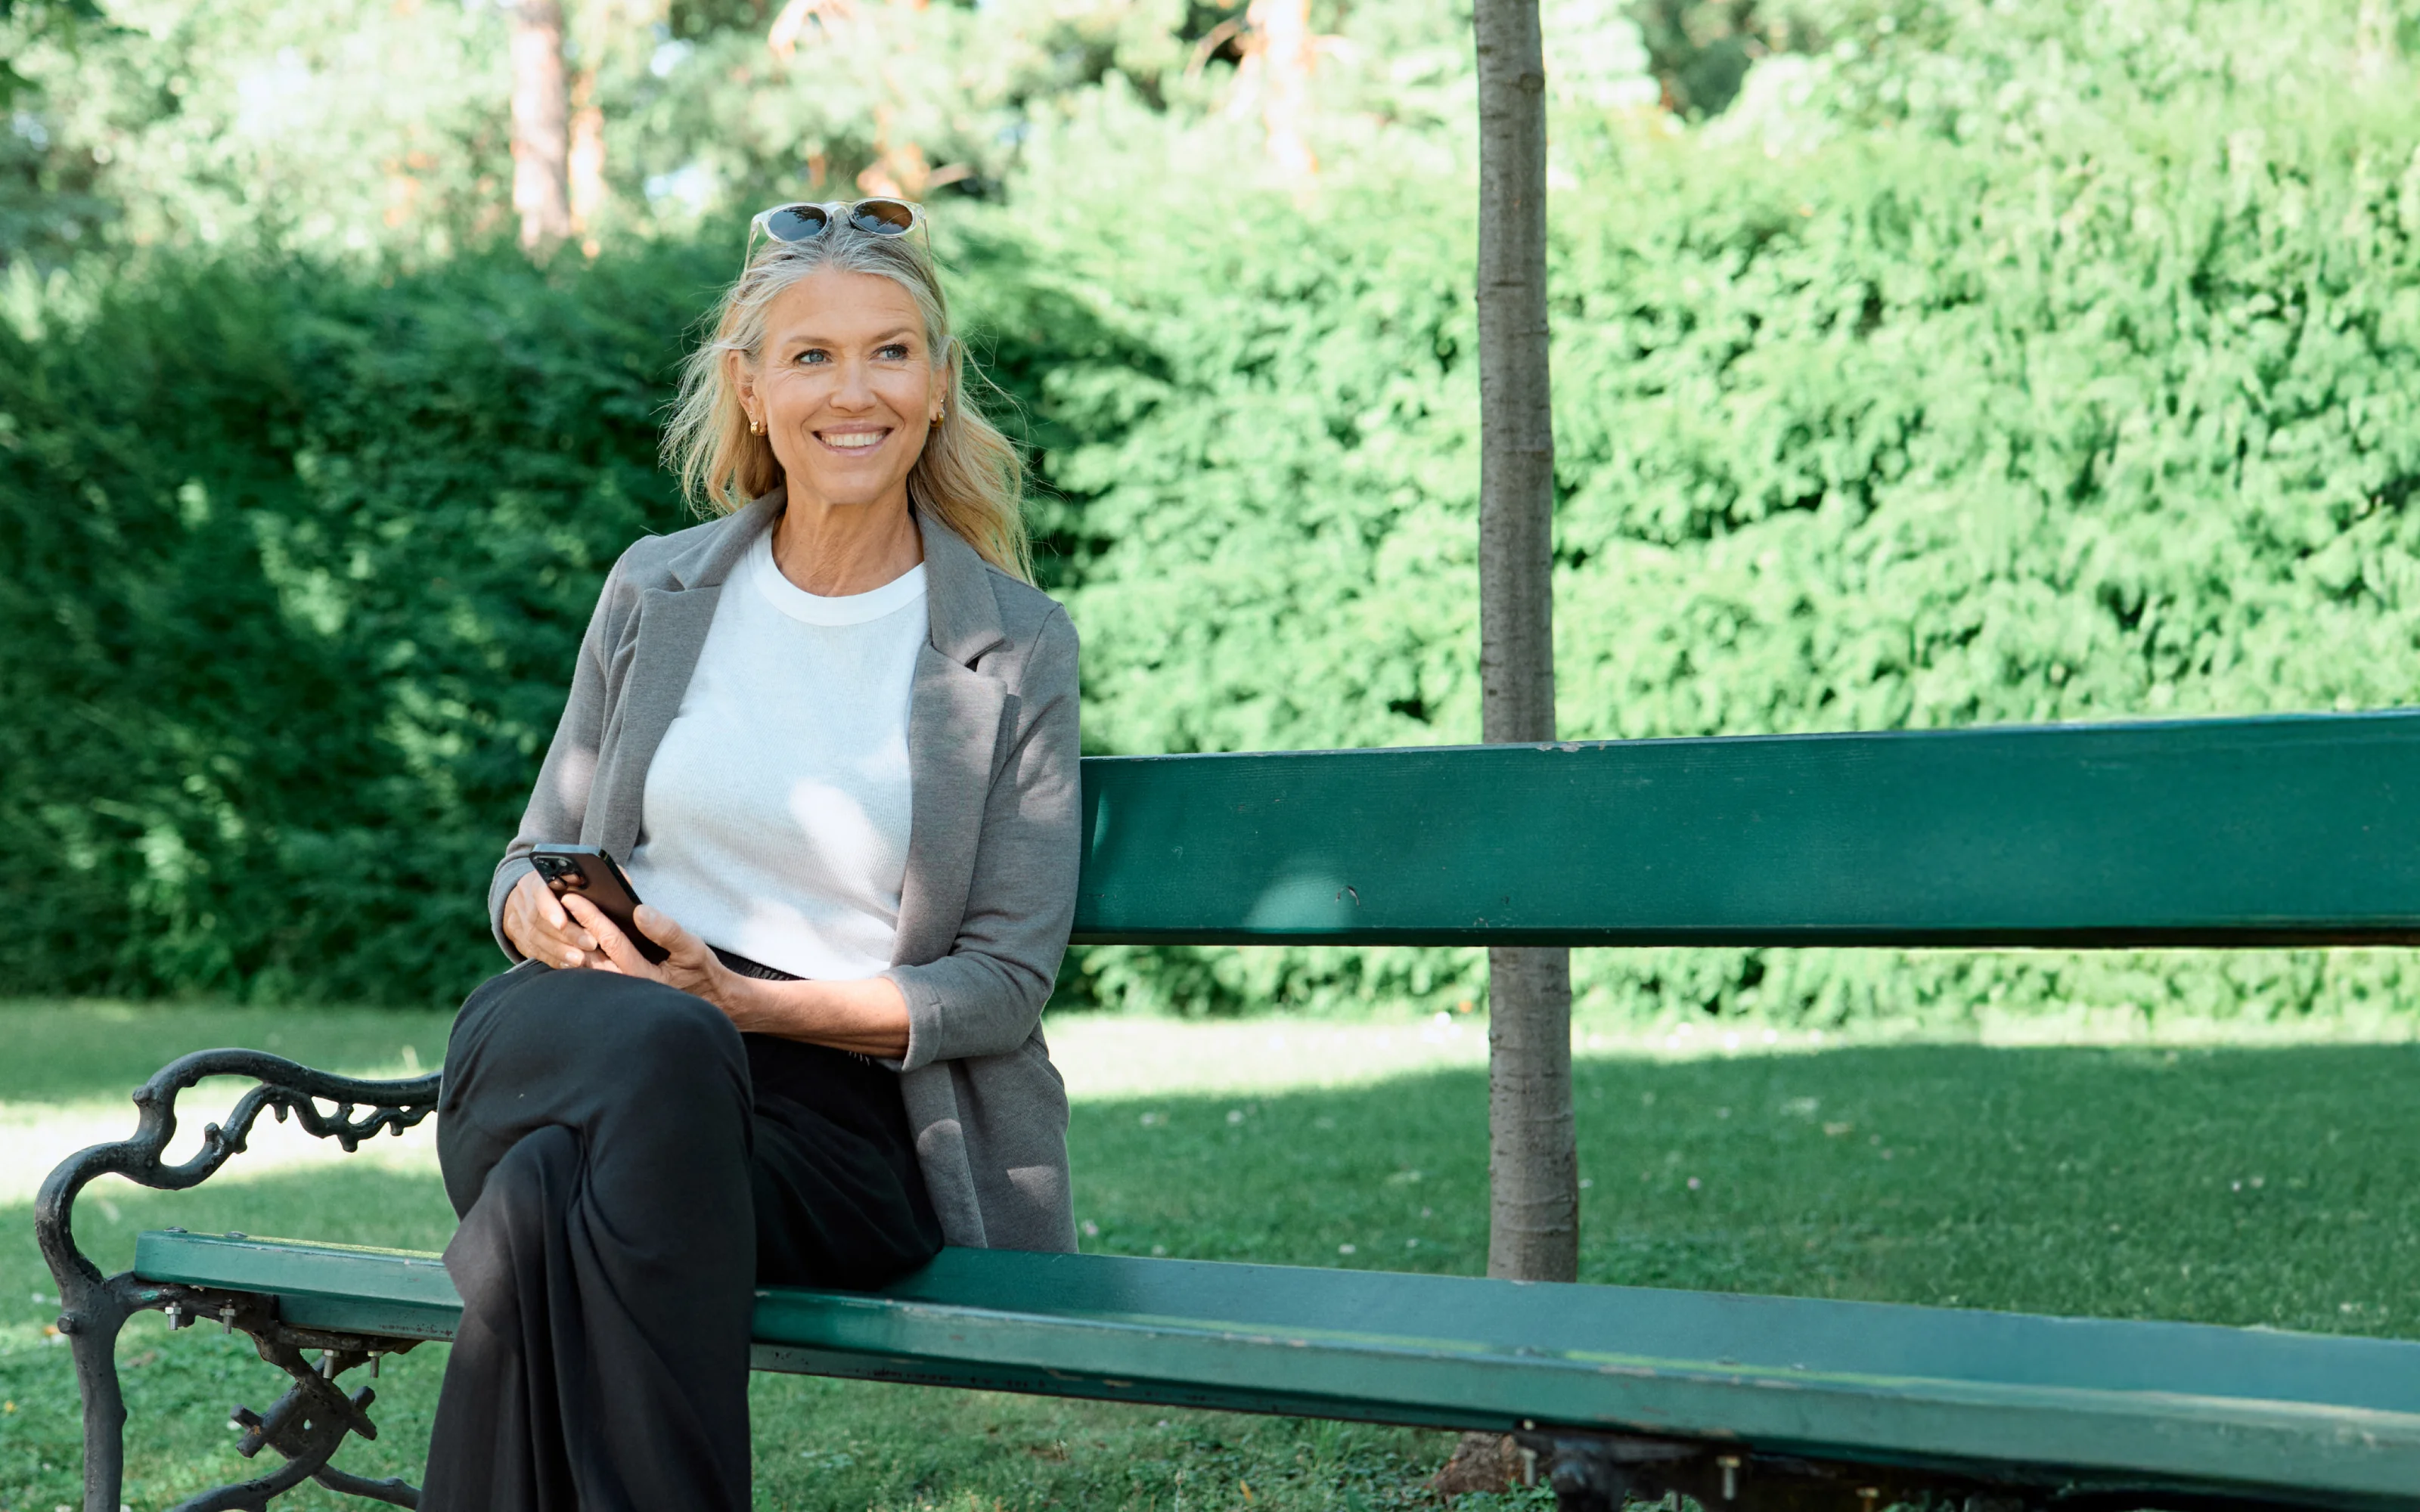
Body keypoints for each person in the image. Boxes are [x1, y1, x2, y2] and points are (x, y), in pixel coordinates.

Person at [421, 198, 1081, 1512]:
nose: (857, 391)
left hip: (837, 1125)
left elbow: (1004, 981)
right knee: (612, 1049)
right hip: (602, 1030)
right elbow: (527, 854)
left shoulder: (1012, 643)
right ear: (752, 386)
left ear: (941, 384)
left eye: (893, 353)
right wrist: (536, 922)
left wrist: (740, 1005)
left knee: (543, 1197)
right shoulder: (655, 591)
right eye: (813, 355)